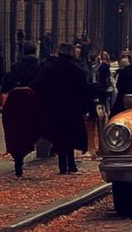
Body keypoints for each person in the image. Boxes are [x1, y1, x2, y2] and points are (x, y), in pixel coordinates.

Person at [33, 43, 88, 174]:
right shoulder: (78, 72)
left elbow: (37, 88)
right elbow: (85, 91)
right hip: (72, 110)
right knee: (70, 136)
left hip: (54, 110)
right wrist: (86, 108)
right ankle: (71, 164)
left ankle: (63, 166)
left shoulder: (48, 71)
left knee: (59, 136)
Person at [1, 43, 40, 178]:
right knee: (30, 130)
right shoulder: (39, 68)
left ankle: (18, 159)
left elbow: (6, 84)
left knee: (16, 131)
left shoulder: (16, 68)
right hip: (33, 103)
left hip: (15, 104)